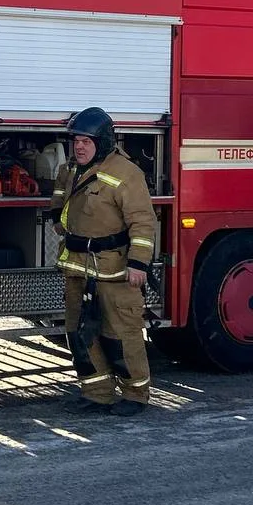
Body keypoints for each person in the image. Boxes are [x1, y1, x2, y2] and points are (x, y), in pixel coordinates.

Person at [49, 107, 157, 417]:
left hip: (114, 270)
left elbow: (142, 222)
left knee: (120, 335)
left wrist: (139, 263)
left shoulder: (127, 173)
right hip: (78, 267)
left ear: (103, 142)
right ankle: (97, 393)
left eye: (87, 141)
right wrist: (58, 220)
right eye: (76, 141)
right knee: (80, 333)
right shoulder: (70, 169)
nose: (79, 147)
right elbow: (60, 199)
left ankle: (136, 394)